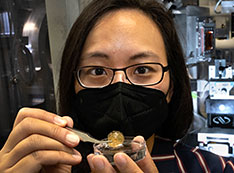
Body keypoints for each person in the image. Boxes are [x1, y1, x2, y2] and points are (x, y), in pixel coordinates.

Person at [1, 0, 234, 172]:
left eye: (142, 70)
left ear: (171, 87)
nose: (120, 87)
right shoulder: (48, 167)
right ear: (72, 84)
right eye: (98, 71)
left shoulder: (214, 168)